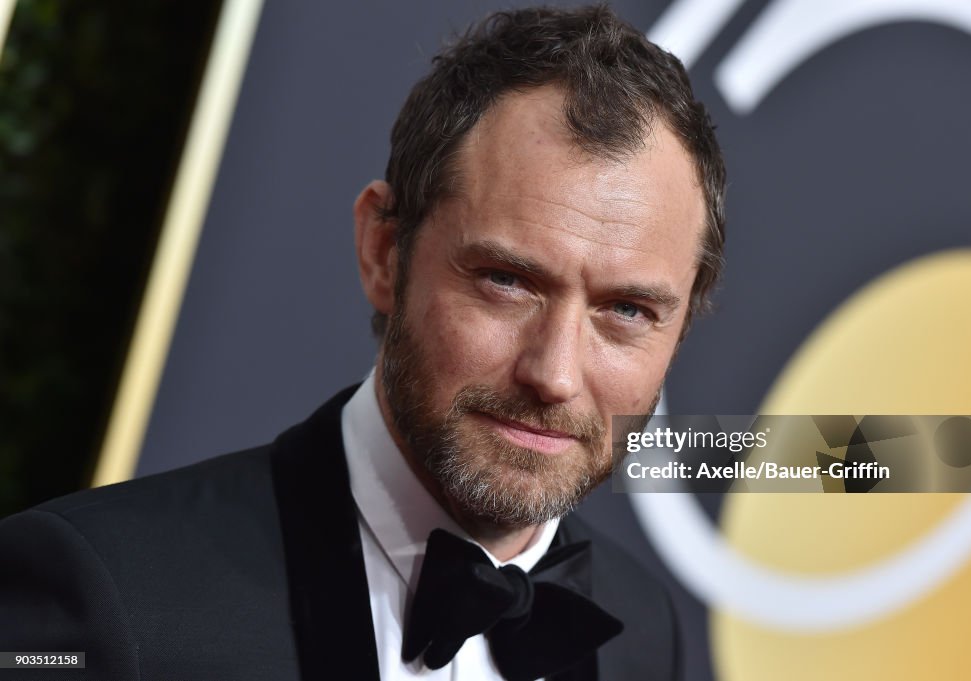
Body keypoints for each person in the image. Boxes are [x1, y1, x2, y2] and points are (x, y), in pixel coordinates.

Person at [0, 5, 724, 680]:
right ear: (384, 249)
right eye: (506, 280)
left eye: (627, 310)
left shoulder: (642, 630)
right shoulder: (109, 597)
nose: (555, 373)